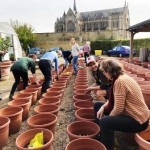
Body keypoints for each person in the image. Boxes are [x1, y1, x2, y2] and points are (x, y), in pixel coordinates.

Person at [94, 58, 149, 150]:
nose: (104, 74)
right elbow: (116, 100)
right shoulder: (121, 77)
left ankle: (108, 147)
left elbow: (118, 109)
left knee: (105, 122)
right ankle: (102, 134)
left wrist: (108, 120)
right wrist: (103, 107)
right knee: (98, 105)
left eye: (104, 71)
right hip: (133, 115)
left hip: (138, 121)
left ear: (110, 71)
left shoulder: (120, 82)